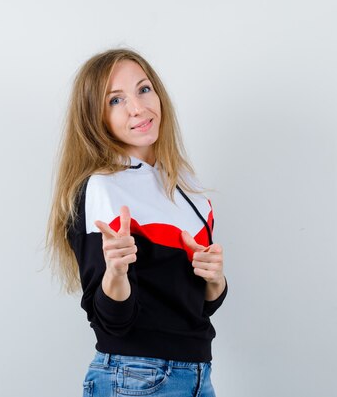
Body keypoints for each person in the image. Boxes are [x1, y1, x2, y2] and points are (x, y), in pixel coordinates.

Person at [47, 48, 228, 397]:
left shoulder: (187, 190)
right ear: (94, 117)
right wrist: (115, 272)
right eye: (116, 100)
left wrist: (215, 279)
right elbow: (111, 321)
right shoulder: (102, 187)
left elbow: (199, 305)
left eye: (143, 89)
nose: (137, 108)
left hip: (197, 377)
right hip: (136, 377)